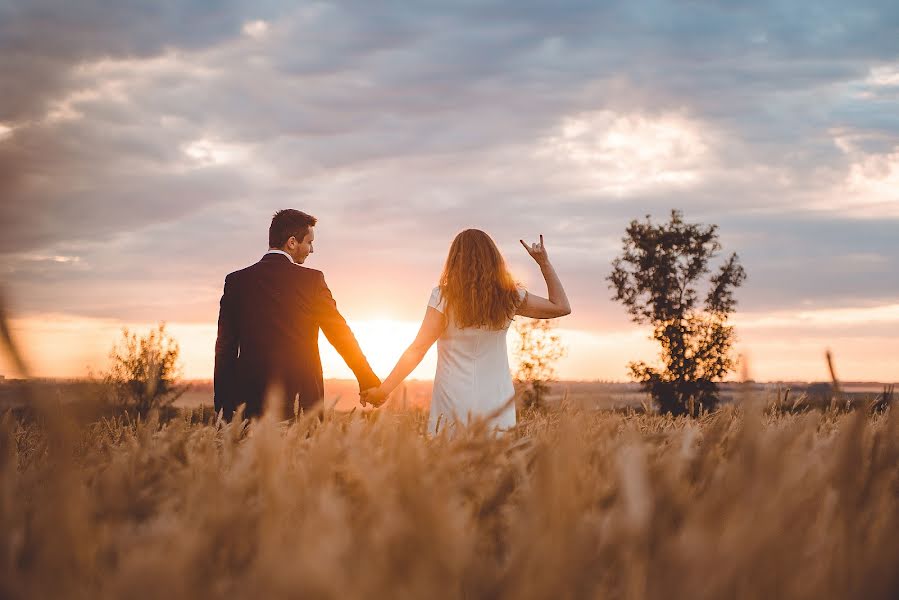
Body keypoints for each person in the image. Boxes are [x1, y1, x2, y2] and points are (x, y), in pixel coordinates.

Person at [361, 229, 570, 434]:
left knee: (451, 464)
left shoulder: (443, 297)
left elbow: (418, 348)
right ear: (494, 259)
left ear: (455, 259)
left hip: (453, 399)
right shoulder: (510, 297)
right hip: (497, 400)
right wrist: (544, 263)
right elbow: (561, 307)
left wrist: (384, 390)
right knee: (494, 465)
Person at [214, 209, 380, 421]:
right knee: (300, 455)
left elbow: (224, 348)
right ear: (292, 242)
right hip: (303, 402)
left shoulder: (236, 281)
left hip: (247, 402)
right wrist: (367, 379)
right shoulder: (312, 281)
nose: (312, 250)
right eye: (309, 242)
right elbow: (340, 335)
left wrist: (223, 407)